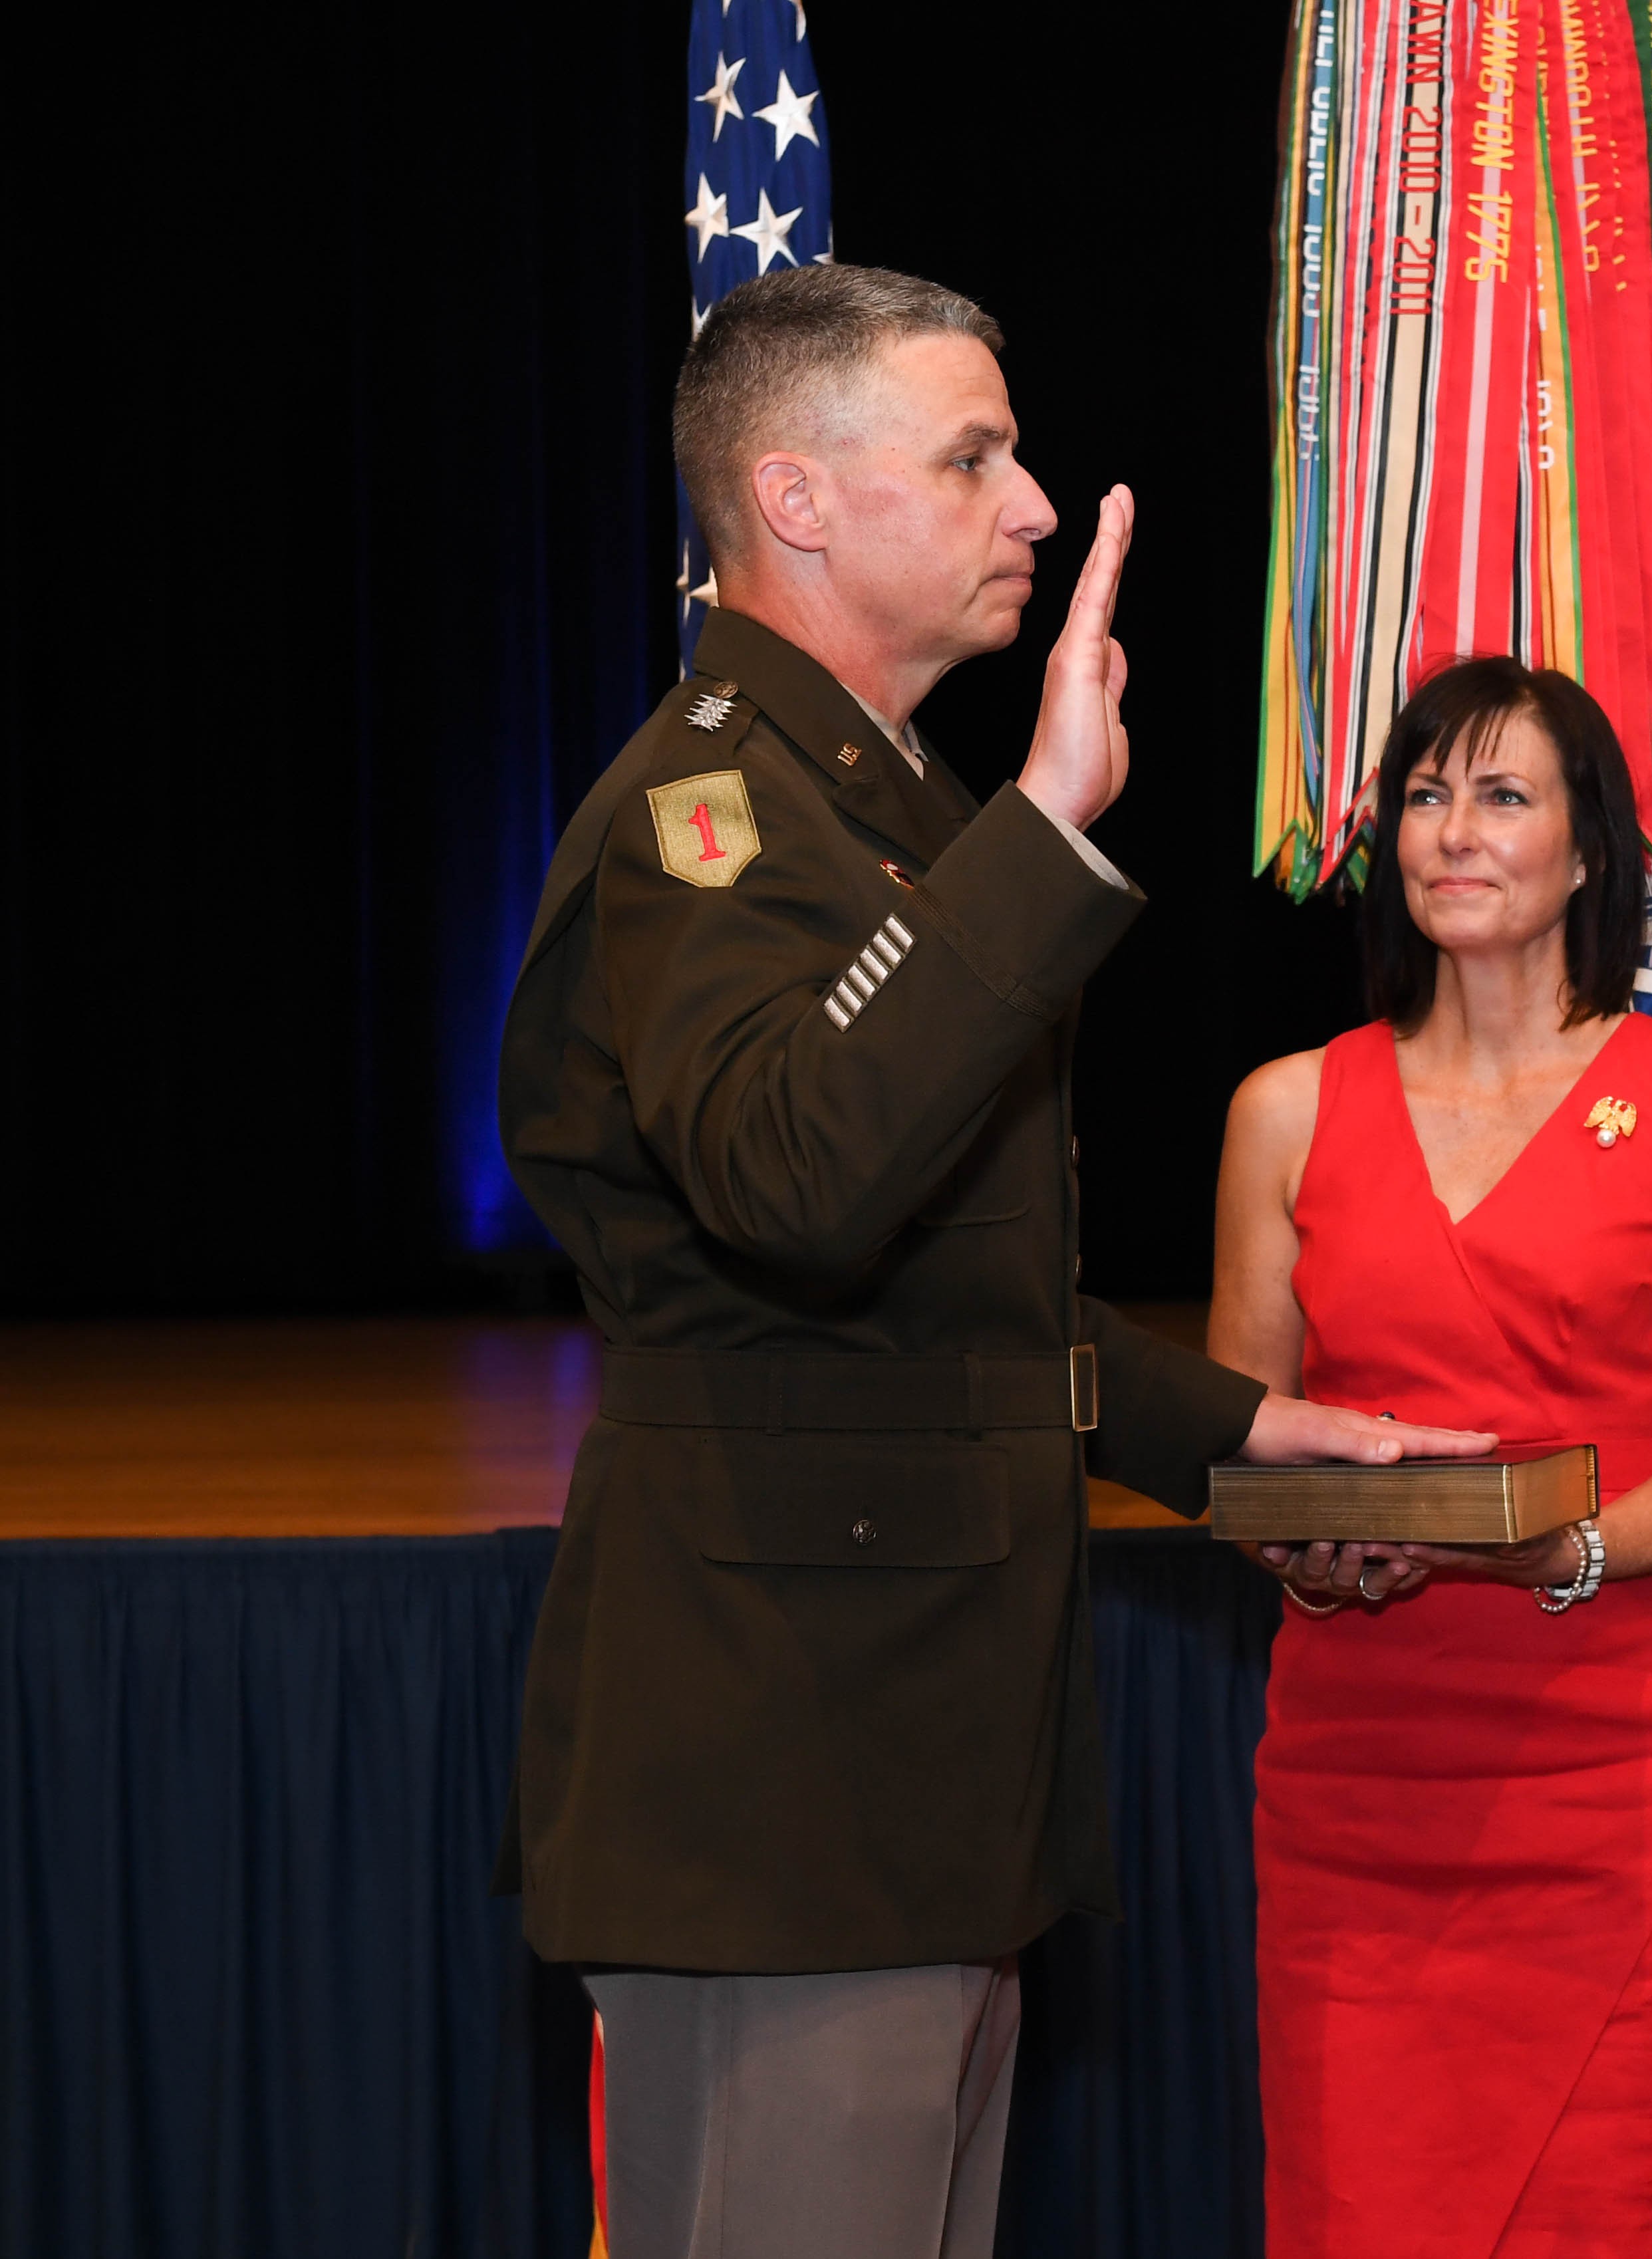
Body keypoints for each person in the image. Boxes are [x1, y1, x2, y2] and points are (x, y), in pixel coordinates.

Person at [495, 263, 1489, 2259]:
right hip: (785, 1791)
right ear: (796, 499)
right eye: (971, 458)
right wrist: (1040, 826)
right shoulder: (706, 815)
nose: (1033, 504)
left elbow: (949, 1319)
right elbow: (795, 1180)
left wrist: (1247, 1437)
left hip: (910, 1775)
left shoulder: (868, 807)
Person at [1207, 655, 1652, 2258]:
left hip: (1610, 1797)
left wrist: (1579, 1550)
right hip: (1355, 1802)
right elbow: (1237, 1445)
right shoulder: (1282, 1110)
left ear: (1591, 849)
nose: (1451, 832)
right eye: (1422, 794)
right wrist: (1298, 1552)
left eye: (1502, 794)